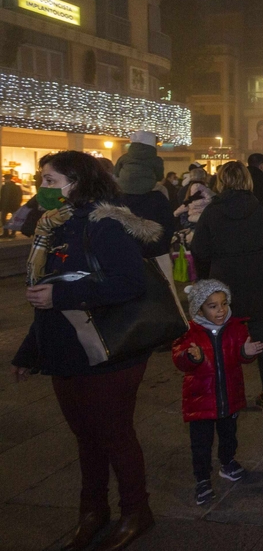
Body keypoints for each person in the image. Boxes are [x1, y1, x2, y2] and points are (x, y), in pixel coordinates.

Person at [12, 151, 160, 551]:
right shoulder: (55, 226)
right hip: (66, 349)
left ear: (75, 182)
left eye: (49, 181)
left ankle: (135, 511)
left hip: (108, 349)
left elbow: (130, 283)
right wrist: (30, 351)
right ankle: (92, 512)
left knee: (114, 434)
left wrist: (62, 294)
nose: (41, 188)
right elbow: (44, 295)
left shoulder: (104, 223)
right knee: (85, 437)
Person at [191, 161, 263, 413]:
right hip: (257, 282)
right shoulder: (262, 210)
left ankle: (224, 394)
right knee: (262, 338)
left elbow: (199, 249)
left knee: (220, 337)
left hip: (224, 284)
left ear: (221, 181)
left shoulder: (212, 212)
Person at [172, 279, 263, 505]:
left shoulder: (235, 328)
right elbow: (179, 358)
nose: (220, 310)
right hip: (201, 400)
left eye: (223, 304)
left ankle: (227, 462)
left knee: (229, 434)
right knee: (201, 443)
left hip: (229, 396)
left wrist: (246, 351)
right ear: (199, 308)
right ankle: (202, 479)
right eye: (213, 306)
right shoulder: (189, 332)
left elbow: (241, 356)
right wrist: (190, 357)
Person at [114, 130, 164, 199]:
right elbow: (159, 176)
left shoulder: (124, 157)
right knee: (163, 190)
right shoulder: (156, 160)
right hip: (147, 189)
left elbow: (116, 172)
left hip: (123, 188)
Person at [1, 172, 23, 237]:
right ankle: (9, 232)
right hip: (10, 205)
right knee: (10, 219)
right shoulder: (6, 187)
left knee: (6, 219)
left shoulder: (7, 187)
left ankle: (9, 233)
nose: (5, 180)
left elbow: (3, 197)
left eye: (6, 178)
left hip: (10, 205)